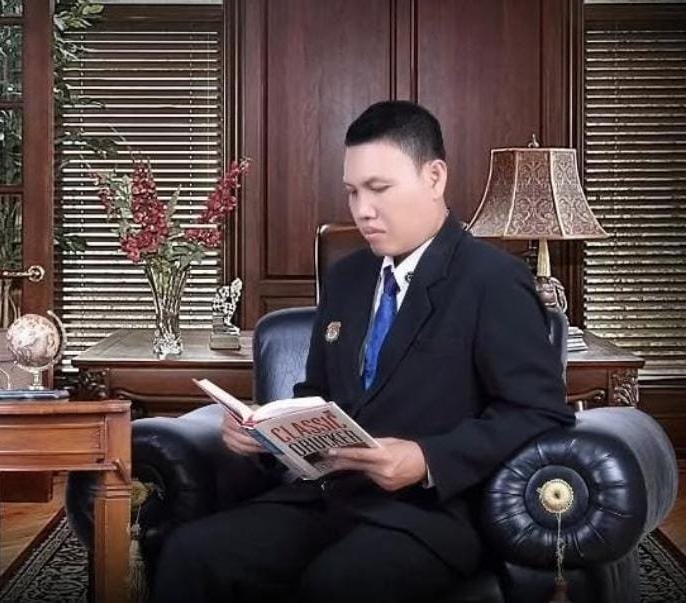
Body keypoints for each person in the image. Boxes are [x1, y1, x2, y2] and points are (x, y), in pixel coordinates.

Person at [151, 101, 575, 603]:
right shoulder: (347, 278)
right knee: (192, 553)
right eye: (353, 191)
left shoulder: (493, 280)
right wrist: (267, 433)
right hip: (323, 499)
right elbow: (316, 394)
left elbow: (539, 411)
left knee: (340, 583)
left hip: (426, 514)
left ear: (434, 178)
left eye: (379, 188)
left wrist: (427, 458)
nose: (362, 210)